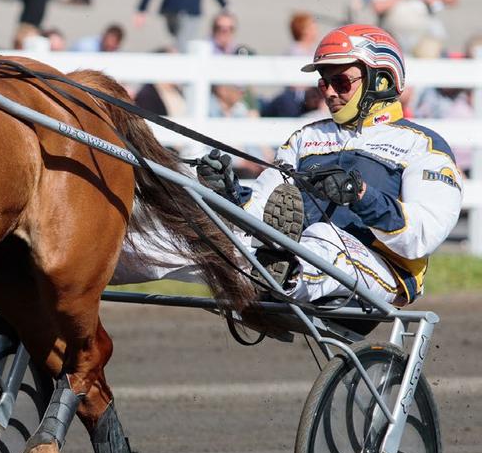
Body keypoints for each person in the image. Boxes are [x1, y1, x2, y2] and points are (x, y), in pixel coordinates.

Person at [115, 25, 463, 306]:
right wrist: (231, 193)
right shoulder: (305, 138)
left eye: (341, 82)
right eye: (323, 82)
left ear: (382, 81)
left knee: (324, 236)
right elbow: (267, 205)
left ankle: (283, 271)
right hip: (284, 249)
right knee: (187, 230)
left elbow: (421, 237)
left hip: (380, 268)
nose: (328, 92)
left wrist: (360, 195)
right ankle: (83, 261)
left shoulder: (422, 145)